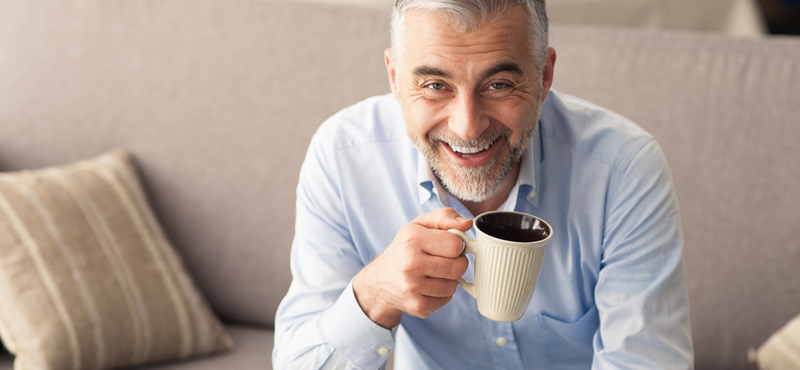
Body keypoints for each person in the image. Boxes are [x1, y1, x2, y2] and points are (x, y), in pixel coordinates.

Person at [272, 0, 694, 368]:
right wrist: (374, 295)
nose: (467, 126)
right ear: (395, 78)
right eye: (435, 86)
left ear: (544, 76)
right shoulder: (342, 160)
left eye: (498, 85)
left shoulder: (623, 170)